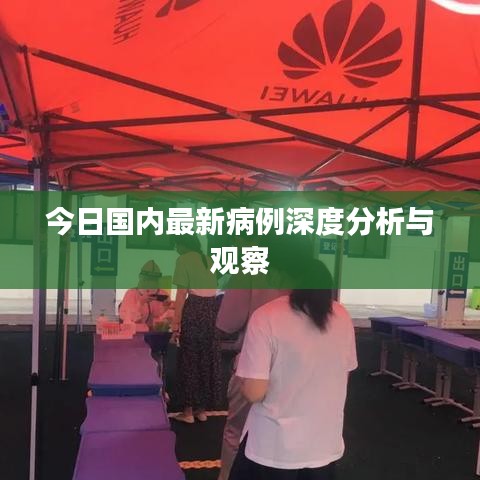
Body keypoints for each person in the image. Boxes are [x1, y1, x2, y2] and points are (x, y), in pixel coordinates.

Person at [229, 260, 357, 480]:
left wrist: (242, 375)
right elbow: (343, 375)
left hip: (274, 447)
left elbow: (254, 392)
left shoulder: (266, 315)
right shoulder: (341, 315)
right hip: (323, 444)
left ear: (282, 275)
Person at [216, 235, 313, 480]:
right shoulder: (306, 270)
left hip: (254, 365)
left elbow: (228, 321)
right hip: (301, 366)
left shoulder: (249, 267)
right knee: (290, 432)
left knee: (238, 433)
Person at [171, 234, 222, 424]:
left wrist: (176, 323)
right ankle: (202, 409)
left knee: (189, 360)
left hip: (194, 310)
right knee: (205, 359)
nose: (176, 249)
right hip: (211, 311)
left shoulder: (183, 260)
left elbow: (181, 293)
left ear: (183, 244)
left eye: (176, 245)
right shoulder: (208, 259)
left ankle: (188, 411)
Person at [118, 260, 171, 328]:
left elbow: (164, 320)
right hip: (135, 332)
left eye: (153, 280)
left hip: (156, 332)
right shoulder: (131, 293)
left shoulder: (163, 295)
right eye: (147, 279)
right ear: (141, 278)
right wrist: (140, 303)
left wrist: (166, 308)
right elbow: (127, 319)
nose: (150, 283)